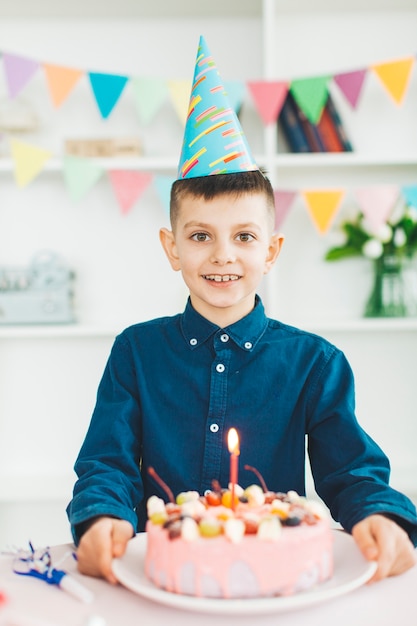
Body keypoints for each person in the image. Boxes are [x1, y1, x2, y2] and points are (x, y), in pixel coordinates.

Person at [66, 36, 417, 585]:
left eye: (245, 236)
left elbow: (351, 469)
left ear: (271, 251)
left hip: (272, 585)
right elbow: (106, 464)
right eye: (201, 235)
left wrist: (379, 515)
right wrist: (102, 517)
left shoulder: (315, 363)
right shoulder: (135, 352)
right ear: (172, 247)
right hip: (157, 584)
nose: (223, 254)